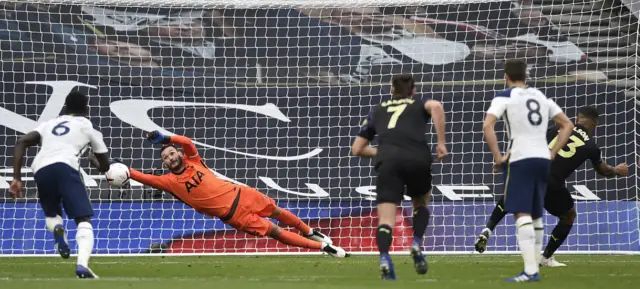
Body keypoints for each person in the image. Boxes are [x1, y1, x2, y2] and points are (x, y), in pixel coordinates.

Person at [123, 131, 348, 257]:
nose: (170, 158)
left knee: (278, 211)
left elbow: (187, 141)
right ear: (164, 163)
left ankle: (310, 231)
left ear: (179, 154)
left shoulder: (194, 160)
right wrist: (114, 167)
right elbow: (136, 175)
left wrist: (164, 138)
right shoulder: (168, 182)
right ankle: (324, 248)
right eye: (166, 158)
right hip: (234, 215)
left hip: (242, 194)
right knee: (276, 232)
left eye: (172, 154)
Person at [475, 106, 628, 266]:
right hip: (552, 182)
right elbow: (603, 170)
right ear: (594, 125)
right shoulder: (591, 146)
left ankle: (488, 229)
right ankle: (546, 257)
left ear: (577, 119)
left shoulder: (559, 127)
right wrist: (617, 170)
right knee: (568, 216)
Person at [482, 59, 574, 282]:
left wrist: (498, 156)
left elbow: (487, 125)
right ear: (526, 76)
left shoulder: (504, 96)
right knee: (535, 214)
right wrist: (552, 153)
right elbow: (568, 125)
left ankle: (530, 271)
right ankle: (534, 268)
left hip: (520, 158)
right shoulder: (541, 97)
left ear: (506, 76)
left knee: (521, 213)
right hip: (543, 159)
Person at [351, 74, 448, 280]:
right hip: (418, 159)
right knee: (421, 203)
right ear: (413, 91)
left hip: (389, 163)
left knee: (386, 219)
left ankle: (385, 257)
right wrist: (441, 143)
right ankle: (416, 243)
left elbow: (357, 148)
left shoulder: (377, 110)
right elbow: (437, 107)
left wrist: (386, 151)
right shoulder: (419, 103)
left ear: (391, 90)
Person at [9, 91, 110, 279]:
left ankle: (58, 231)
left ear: (65, 107)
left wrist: (16, 178)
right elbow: (105, 165)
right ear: (86, 109)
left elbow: (21, 142)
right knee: (83, 219)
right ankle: (82, 265)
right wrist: (93, 161)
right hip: (66, 166)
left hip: (40, 168)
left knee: (52, 213)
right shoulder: (87, 126)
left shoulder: (49, 124)